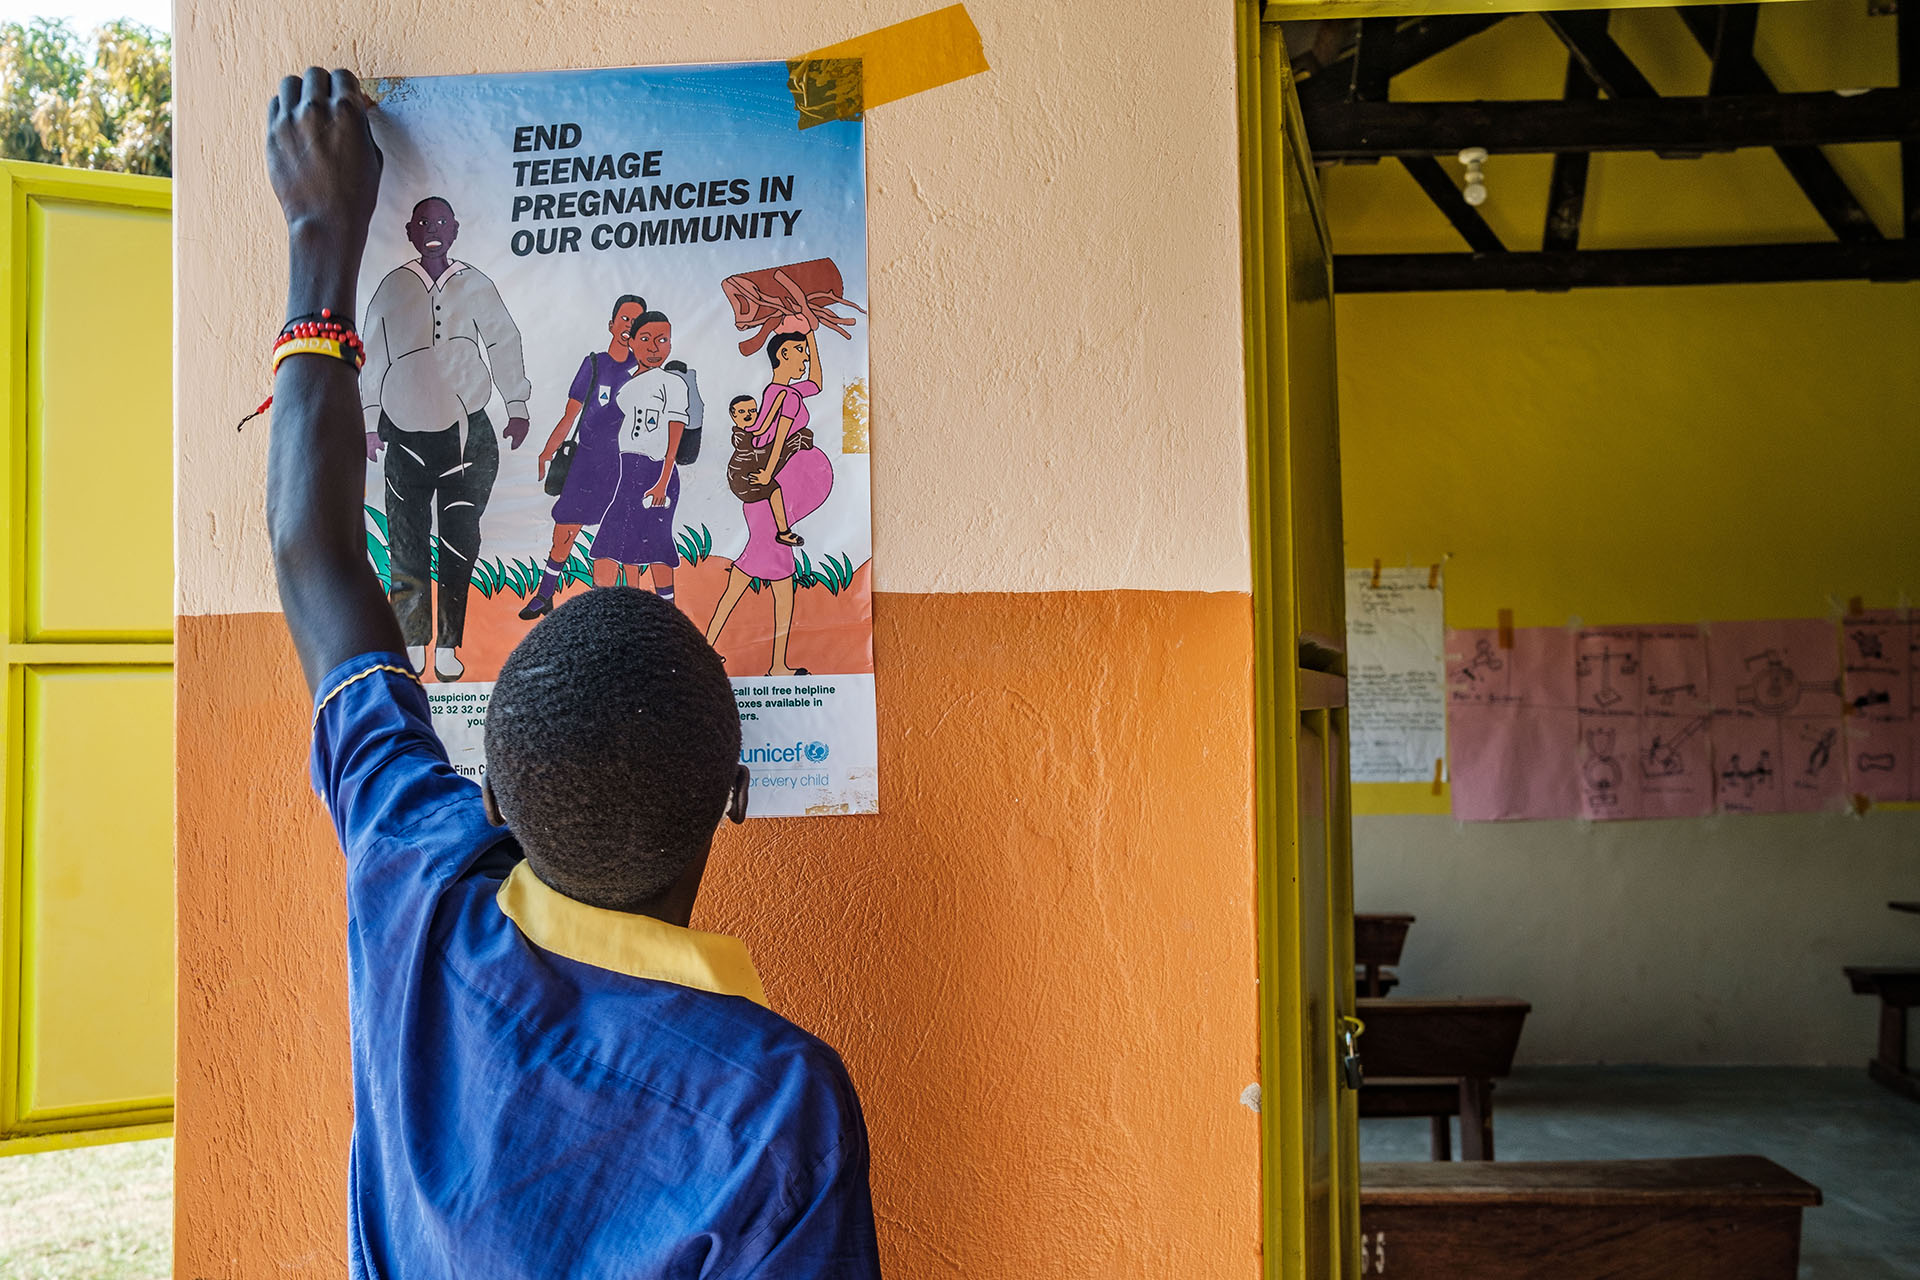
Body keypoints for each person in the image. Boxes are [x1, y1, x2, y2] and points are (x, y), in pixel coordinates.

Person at [263, 68, 880, 1277]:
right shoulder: (773, 1108)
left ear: (489, 795)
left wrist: (315, 233)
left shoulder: (418, 890)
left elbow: (312, 553)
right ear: (734, 793)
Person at [360, 193, 532, 682]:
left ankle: (449, 645)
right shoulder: (393, 287)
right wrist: (370, 422)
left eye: (441, 221)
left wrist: (516, 406)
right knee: (407, 542)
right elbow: (371, 354)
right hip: (406, 438)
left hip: (467, 437)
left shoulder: (475, 284)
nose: (433, 228)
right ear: (411, 232)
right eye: (423, 222)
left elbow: (503, 339)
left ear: (455, 229)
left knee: (460, 542)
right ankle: (414, 640)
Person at [704, 330, 835, 678]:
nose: (804, 359)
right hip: (768, 498)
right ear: (781, 356)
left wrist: (811, 336)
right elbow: (776, 440)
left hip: (775, 500)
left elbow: (817, 383)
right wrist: (765, 475)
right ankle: (725, 654)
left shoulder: (782, 391)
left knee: (766, 581)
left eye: (805, 352)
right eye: (799, 352)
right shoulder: (783, 395)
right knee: (762, 579)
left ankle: (767, 661)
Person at [521, 293, 647, 621]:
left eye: (636, 322)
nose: (628, 326)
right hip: (587, 462)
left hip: (622, 465)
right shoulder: (594, 364)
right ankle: (545, 594)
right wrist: (548, 450)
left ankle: (613, 610)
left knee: (615, 538)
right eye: (624, 318)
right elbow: (570, 414)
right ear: (612, 323)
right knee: (564, 530)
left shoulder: (645, 372)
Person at [595, 310, 691, 602]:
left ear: (670, 345)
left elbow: (675, 431)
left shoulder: (672, 383)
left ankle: (668, 610)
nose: (653, 347)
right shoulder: (625, 382)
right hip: (628, 470)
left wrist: (663, 479)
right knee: (622, 542)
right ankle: (623, 609)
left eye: (662, 340)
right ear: (631, 341)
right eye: (646, 339)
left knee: (656, 542)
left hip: (656, 470)